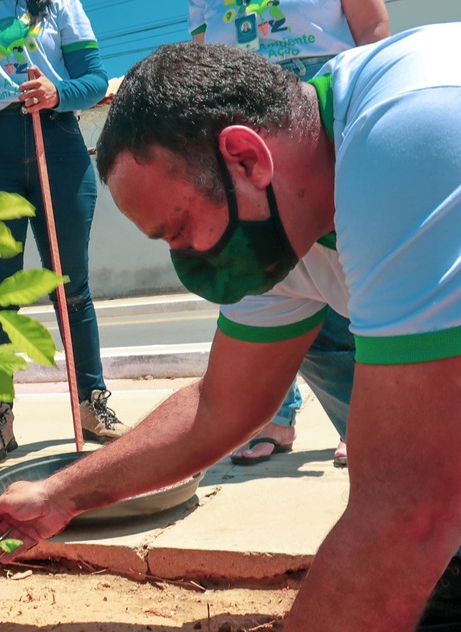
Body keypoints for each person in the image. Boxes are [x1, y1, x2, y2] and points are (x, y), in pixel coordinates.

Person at [0, 27, 460, 630]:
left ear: (245, 157)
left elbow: (408, 511)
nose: (189, 263)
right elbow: (218, 407)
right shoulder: (283, 211)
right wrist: (58, 495)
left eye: (179, 230)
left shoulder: (409, 134)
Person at [0, 0, 130, 466]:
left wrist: (59, 92)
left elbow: (96, 80)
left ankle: (91, 404)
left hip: (56, 143)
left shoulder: (59, 5)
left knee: (70, 287)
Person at [189, 0, 390, 467]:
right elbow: (202, 57)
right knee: (268, 274)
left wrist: (369, 107)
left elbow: (372, 26)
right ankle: (279, 418)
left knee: (348, 270)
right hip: (236, 104)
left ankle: (368, 420)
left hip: (324, 92)